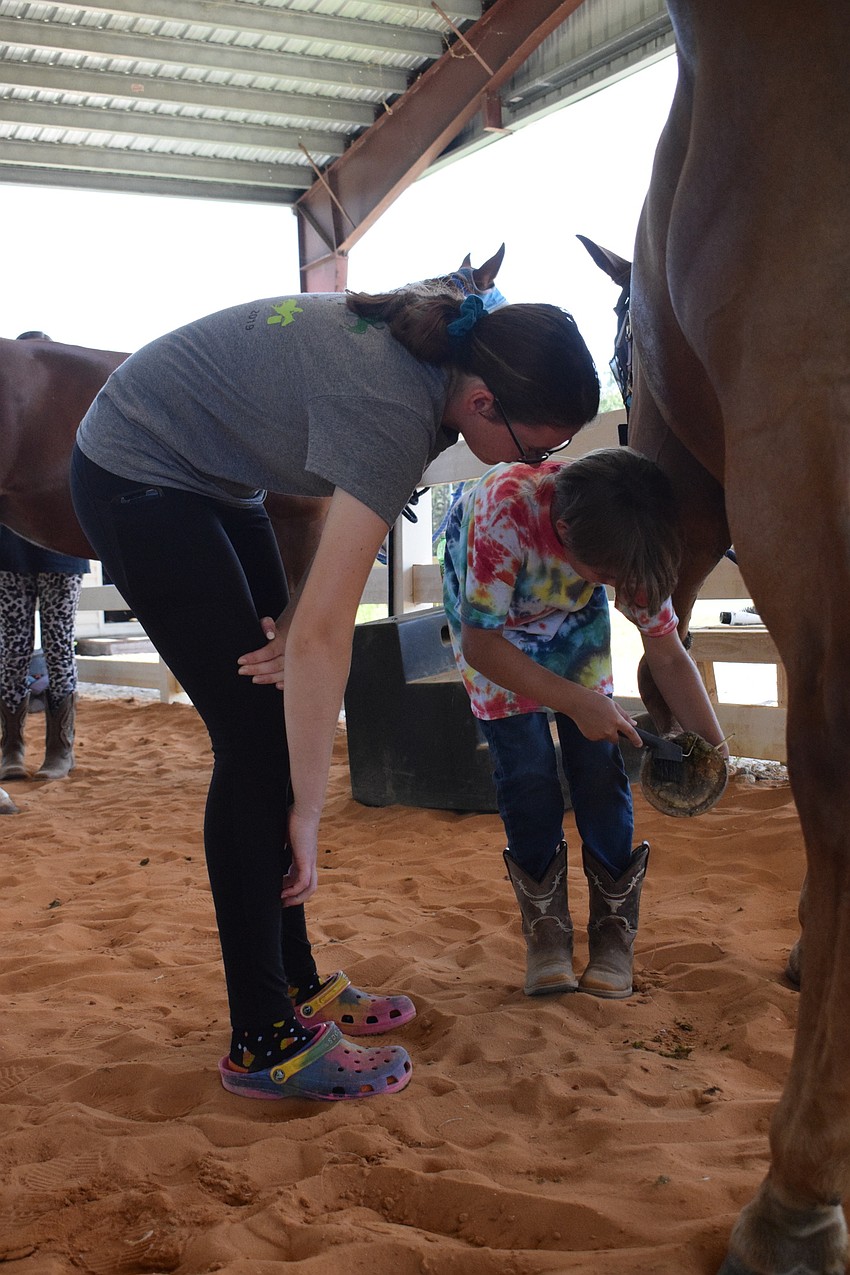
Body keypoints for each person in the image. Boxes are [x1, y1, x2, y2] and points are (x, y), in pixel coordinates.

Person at [69, 282, 603, 1102]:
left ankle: (296, 985)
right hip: (136, 466)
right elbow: (325, 640)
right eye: (534, 449)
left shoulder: (441, 372)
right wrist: (311, 814)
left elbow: (318, 578)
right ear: (484, 401)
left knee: (275, 724)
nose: (530, 466)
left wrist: (298, 608)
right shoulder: (395, 408)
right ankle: (263, 1040)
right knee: (254, 739)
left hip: (217, 478)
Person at [441, 447, 728, 1001]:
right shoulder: (505, 514)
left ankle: (613, 931)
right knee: (526, 771)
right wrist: (574, 701)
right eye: (610, 578)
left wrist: (715, 749)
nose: (624, 589)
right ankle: (546, 932)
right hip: (491, 627)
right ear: (566, 531)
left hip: (570, 618)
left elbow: (668, 656)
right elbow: (480, 644)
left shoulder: (628, 535)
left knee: (598, 764)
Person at [0, 332, 88, 784]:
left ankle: (60, 748)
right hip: (10, 554)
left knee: (59, 649)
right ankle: (11, 746)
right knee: (11, 652)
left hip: (62, 558)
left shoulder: (64, 425)